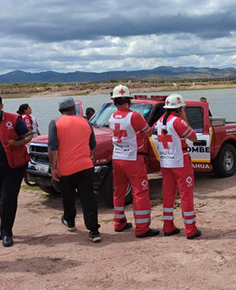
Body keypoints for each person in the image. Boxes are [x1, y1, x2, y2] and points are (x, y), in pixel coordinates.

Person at [108, 85, 159, 238]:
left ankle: (119, 222)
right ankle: (142, 227)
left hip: (117, 158)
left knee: (119, 192)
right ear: (129, 100)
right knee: (140, 192)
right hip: (133, 158)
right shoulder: (134, 116)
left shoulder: (111, 117)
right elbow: (148, 132)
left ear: (115, 101)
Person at [48, 97, 101, 242]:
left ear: (60, 111)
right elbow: (92, 145)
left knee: (68, 196)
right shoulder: (85, 122)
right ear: (73, 109)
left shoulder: (55, 123)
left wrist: (53, 168)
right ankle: (94, 230)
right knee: (88, 197)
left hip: (65, 168)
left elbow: (53, 148)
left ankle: (70, 221)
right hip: (85, 166)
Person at [154, 93, 201, 240]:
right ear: (180, 108)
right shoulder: (178, 121)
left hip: (165, 162)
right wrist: (184, 118)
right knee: (186, 194)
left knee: (168, 194)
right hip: (180, 161)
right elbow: (193, 137)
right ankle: (190, 228)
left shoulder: (160, 121)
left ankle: (168, 225)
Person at [0, 96, 33, 247]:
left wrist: (17, 143)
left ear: (1, 105)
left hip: (12, 166)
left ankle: (7, 231)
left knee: (8, 199)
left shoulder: (13, 119)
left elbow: (28, 136)